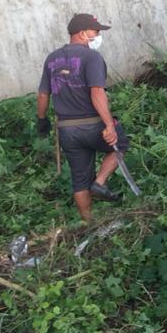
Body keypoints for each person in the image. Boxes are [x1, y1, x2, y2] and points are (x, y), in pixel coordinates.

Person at [37, 13, 127, 224]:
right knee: (120, 145)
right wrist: (108, 125)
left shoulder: (52, 59)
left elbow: (43, 95)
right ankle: (100, 183)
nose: (97, 35)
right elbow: (97, 92)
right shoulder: (92, 57)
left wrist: (41, 120)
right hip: (92, 124)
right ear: (81, 33)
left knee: (79, 180)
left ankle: (88, 223)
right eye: (95, 31)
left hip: (67, 129)